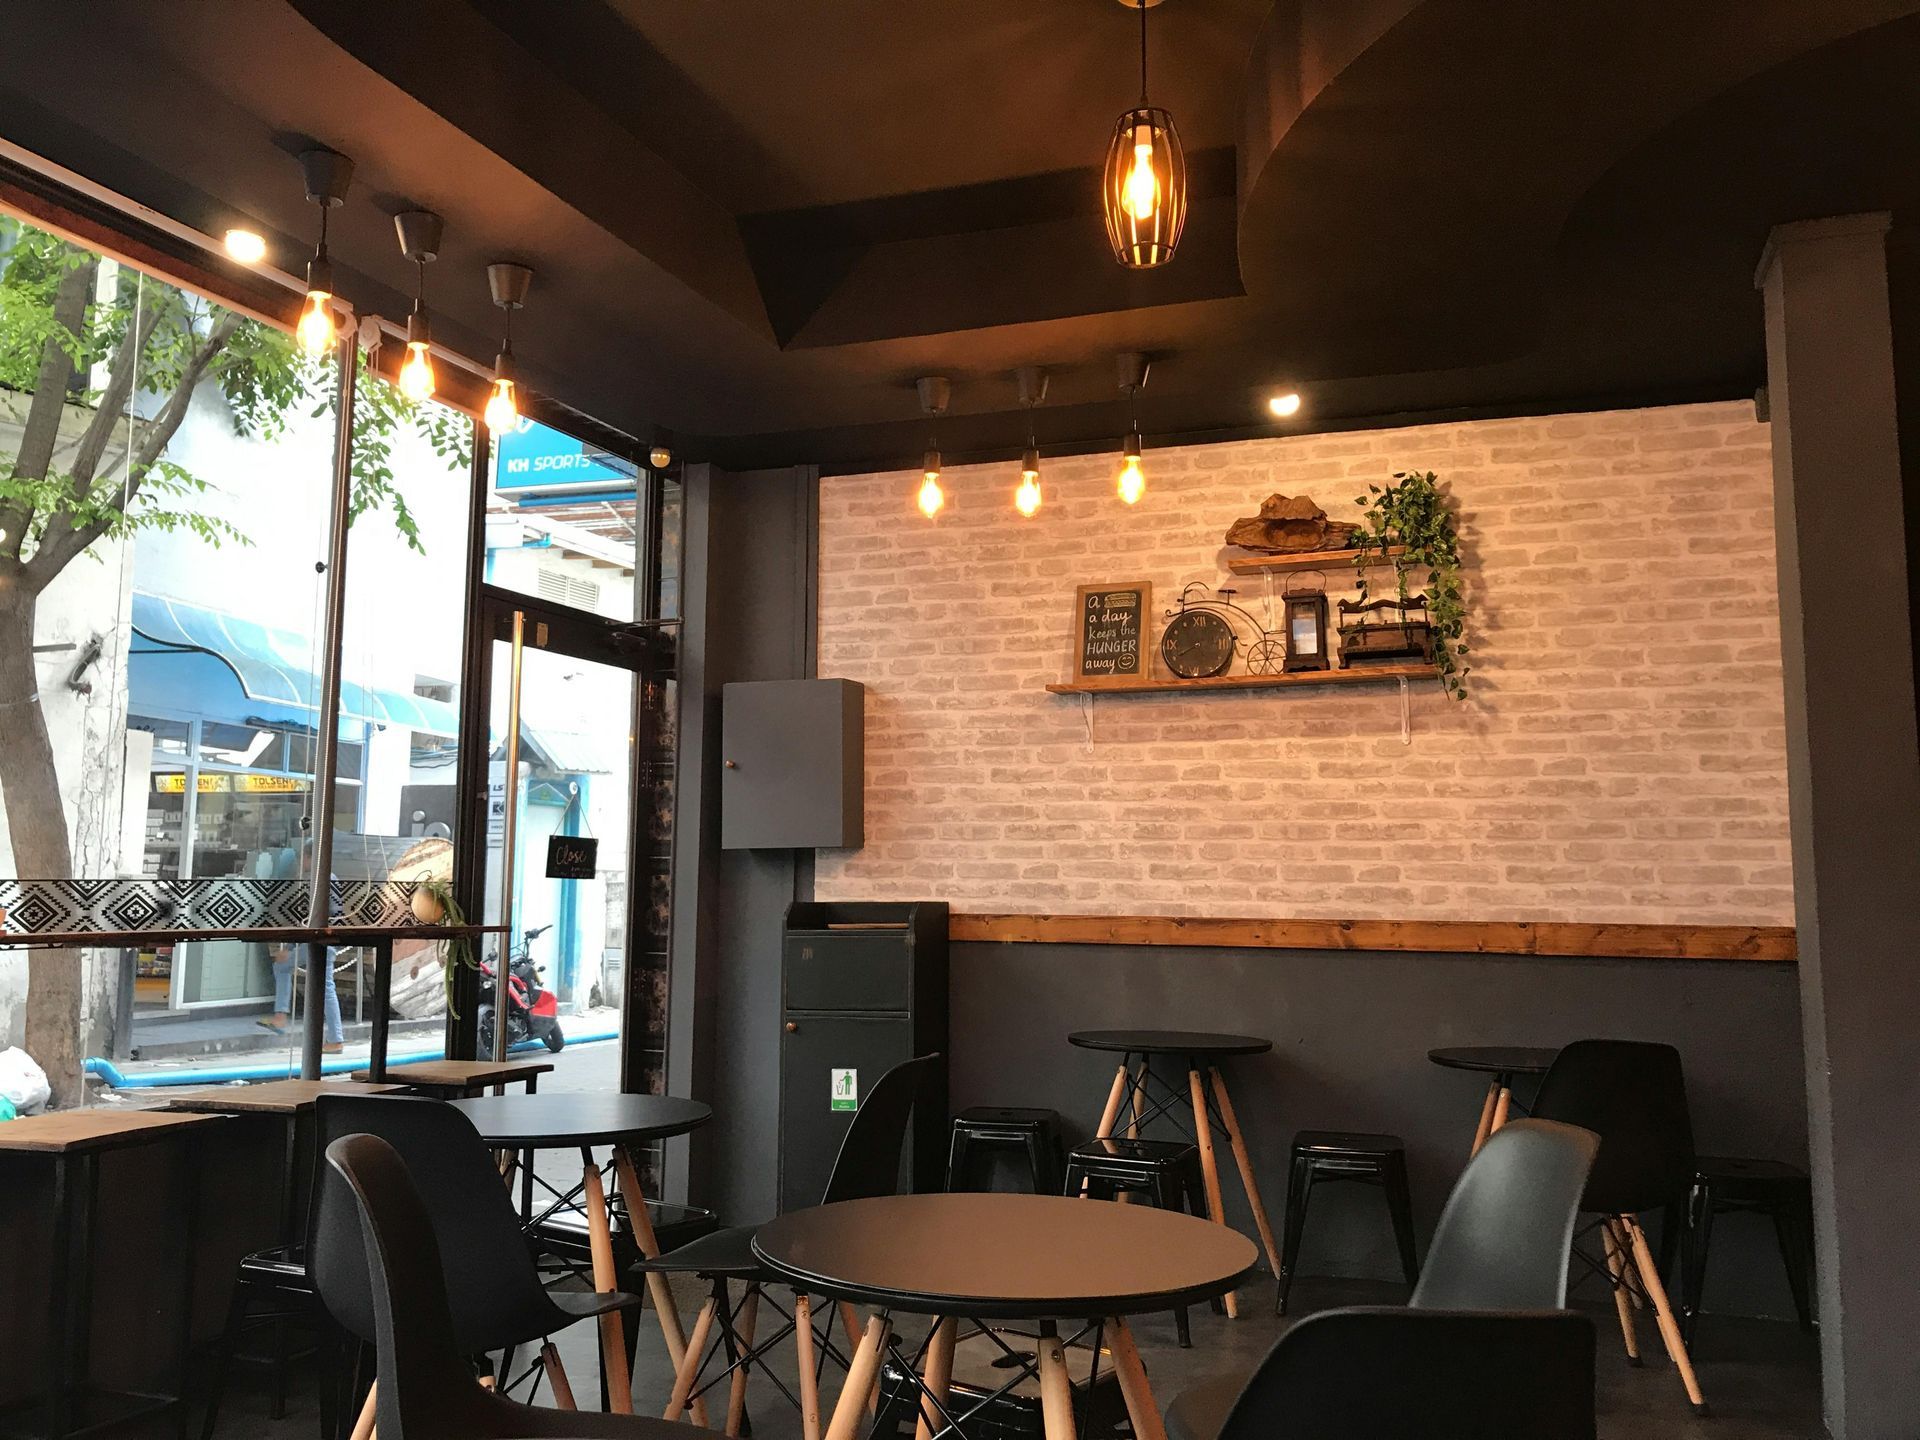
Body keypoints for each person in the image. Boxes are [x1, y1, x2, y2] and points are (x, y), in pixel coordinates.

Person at [256, 840, 345, 1053]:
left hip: (319, 940)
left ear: (310, 858)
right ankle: (333, 1037)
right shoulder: (324, 879)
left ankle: (284, 1018)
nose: (301, 862)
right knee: (323, 985)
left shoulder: (320, 881)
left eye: (303, 857)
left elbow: (315, 916)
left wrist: (291, 947)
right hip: (323, 940)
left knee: (290, 969)